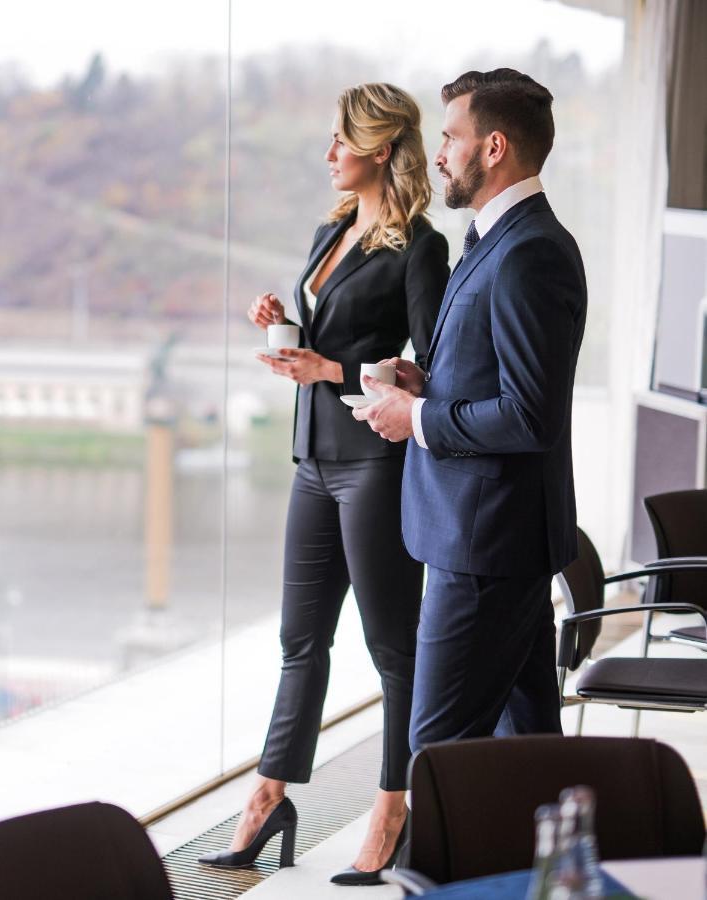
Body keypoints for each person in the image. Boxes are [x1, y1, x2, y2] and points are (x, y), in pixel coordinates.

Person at [198, 83, 448, 884]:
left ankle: (393, 806)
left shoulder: (420, 248)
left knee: (392, 650)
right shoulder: (330, 230)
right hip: (313, 461)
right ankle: (269, 796)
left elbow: (433, 368)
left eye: (339, 141)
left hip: (376, 463)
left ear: (377, 149)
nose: (328, 154)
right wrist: (285, 321)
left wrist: (329, 366)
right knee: (299, 642)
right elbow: (326, 334)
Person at [354, 68, 586, 753]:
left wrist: (417, 421)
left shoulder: (529, 252)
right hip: (487, 540)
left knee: (439, 759)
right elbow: (504, 380)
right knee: (529, 750)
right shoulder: (495, 241)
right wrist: (425, 384)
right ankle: (544, 861)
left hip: (484, 549)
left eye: (450, 137)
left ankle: (437, 865)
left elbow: (529, 417)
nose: (437, 153)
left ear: (493, 148)